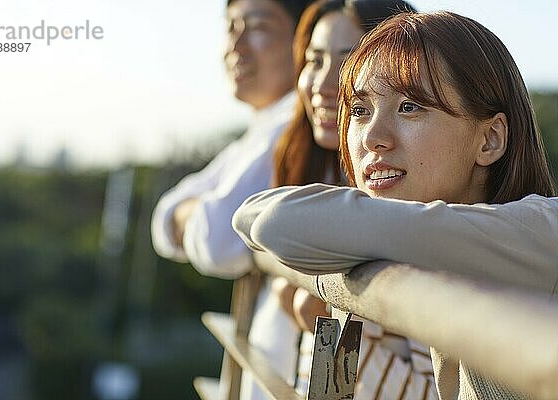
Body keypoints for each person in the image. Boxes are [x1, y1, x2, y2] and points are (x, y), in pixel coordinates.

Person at [233, 11, 557, 400]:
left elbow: (272, 222)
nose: (372, 137)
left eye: (410, 107)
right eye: (360, 110)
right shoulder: (448, 248)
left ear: (489, 140)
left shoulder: (537, 232)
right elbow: (251, 216)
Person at [267, 1, 438, 397]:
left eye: (349, 61)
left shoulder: (415, 203)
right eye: (314, 60)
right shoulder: (321, 178)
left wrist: (332, 320)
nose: (324, 84)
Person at [150, 1, 312, 399]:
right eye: (230, 27)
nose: (235, 45)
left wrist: (194, 213)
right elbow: (163, 217)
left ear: (302, 38)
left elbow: (219, 240)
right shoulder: (263, 128)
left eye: (257, 27)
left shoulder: (295, 125)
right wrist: (193, 213)